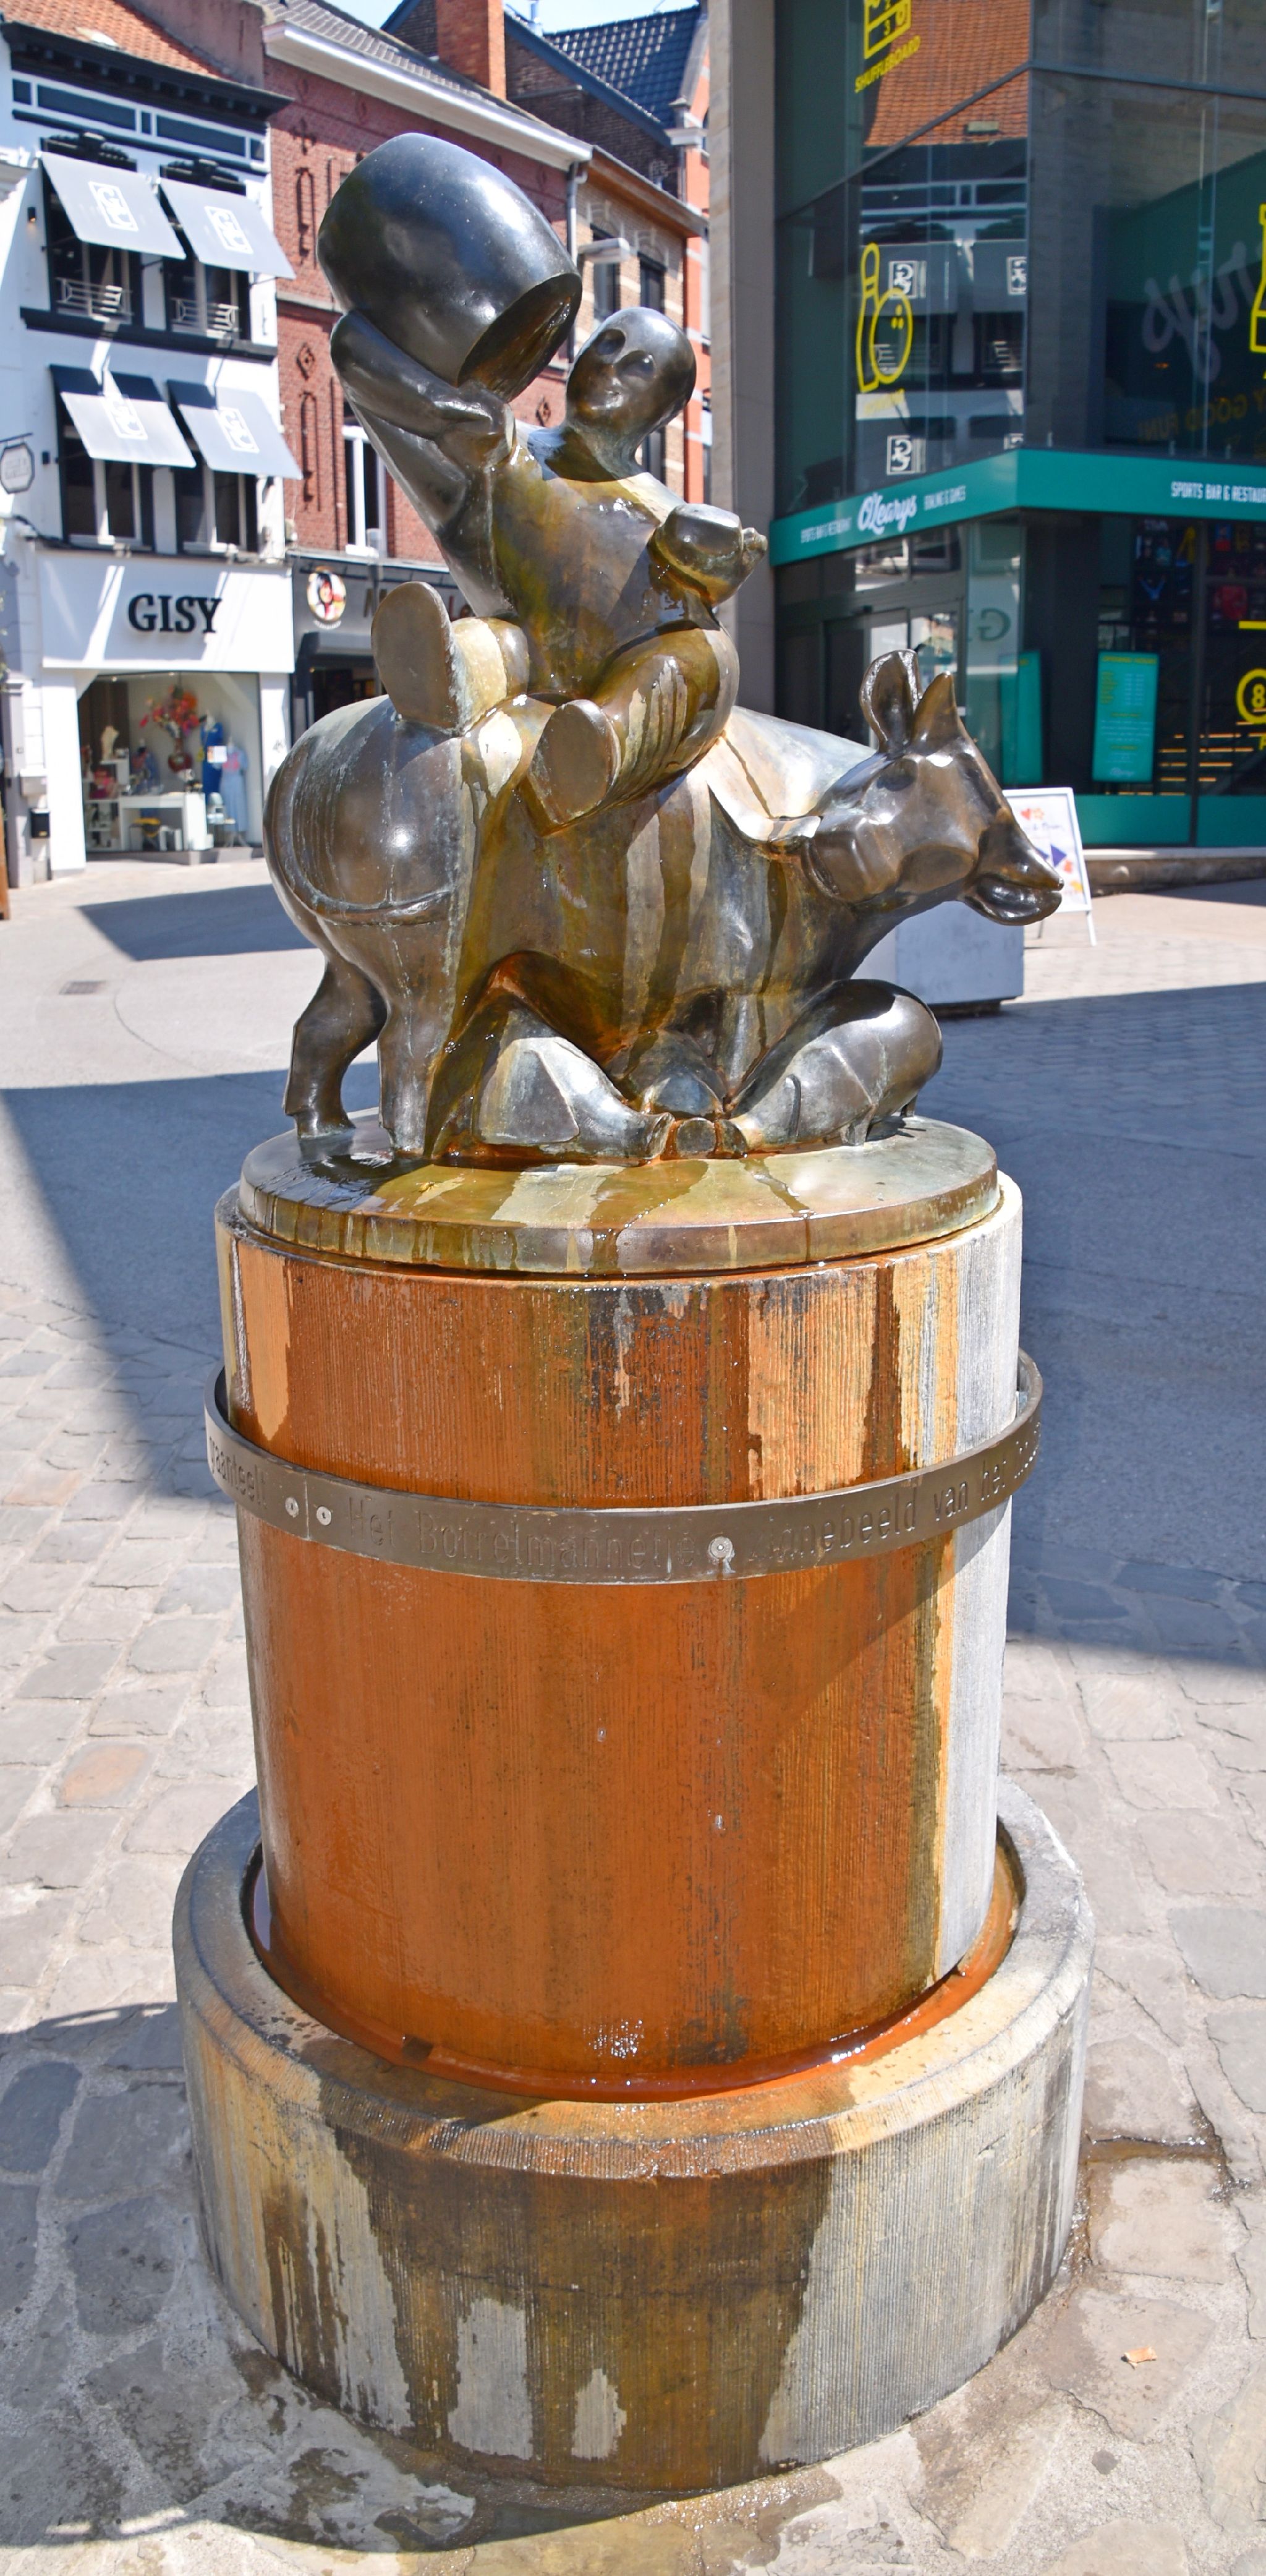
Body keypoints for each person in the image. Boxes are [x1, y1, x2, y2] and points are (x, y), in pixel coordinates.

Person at [331, 303, 766, 832]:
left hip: (634, 664)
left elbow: (704, 583)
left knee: (705, 659)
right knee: (497, 646)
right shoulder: (508, 449)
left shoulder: (665, 509)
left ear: (664, 410)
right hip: (526, 648)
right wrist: (453, 384)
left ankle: (599, 749)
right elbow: (359, 357)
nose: (611, 367)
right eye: (606, 346)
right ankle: (448, 671)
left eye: (638, 367)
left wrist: (718, 562)